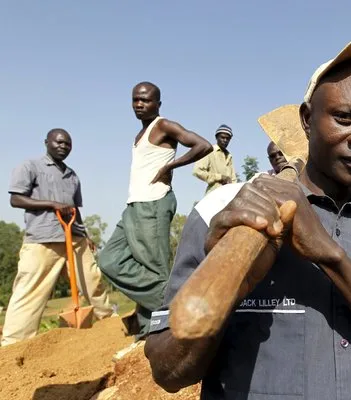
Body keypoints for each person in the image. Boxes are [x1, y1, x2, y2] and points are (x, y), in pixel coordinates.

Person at [144, 30, 351, 399]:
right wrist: (229, 290)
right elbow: (168, 371)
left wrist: (331, 256)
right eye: (346, 116)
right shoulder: (227, 210)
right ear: (307, 119)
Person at [99, 82, 212, 340]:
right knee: (109, 259)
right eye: (135, 100)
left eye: (146, 100)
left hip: (152, 204)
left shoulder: (162, 125)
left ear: (157, 104)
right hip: (134, 204)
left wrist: (170, 166)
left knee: (153, 268)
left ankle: (154, 330)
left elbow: (202, 145)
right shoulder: (140, 134)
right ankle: (177, 303)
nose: (139, 104)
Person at [2, 129, 112, 346]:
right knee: (30, 290)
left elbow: (74, 209)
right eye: (59, 142)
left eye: (68, 144)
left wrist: (85, 233)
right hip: (43, 238)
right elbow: (16, 199)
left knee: (93, 283)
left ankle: (110, 327)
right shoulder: (30, 167)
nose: (63, 146)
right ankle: (13, 344)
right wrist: (52, 204)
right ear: (47, 143)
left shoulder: (72, 176)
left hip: (75, 238)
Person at [193, 124, 238, 194]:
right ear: (216, 137)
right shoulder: (209, 151)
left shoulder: (229, 156)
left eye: (227, 139)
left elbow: (233, 179)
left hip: (228, 195)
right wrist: (219, 177)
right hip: (214, 195)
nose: (225, 140)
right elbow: (197, 171)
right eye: (222, 137)